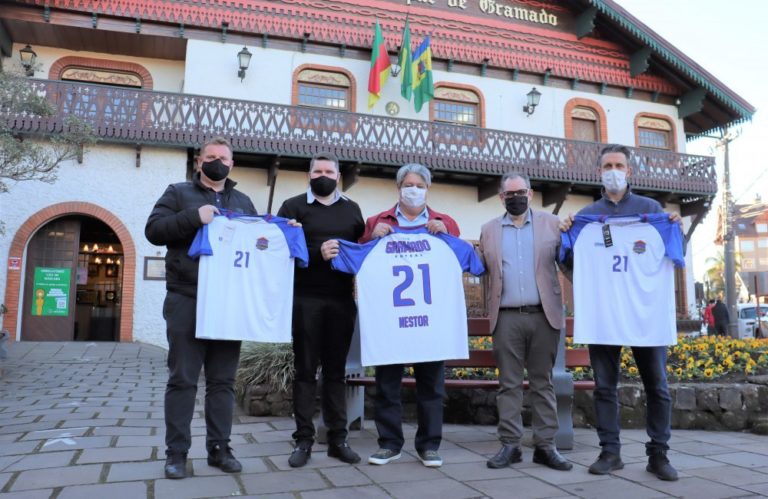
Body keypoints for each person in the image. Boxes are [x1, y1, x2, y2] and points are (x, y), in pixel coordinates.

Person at [560, 144, 681, 482]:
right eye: (607, 165)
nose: (613, 170)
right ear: (599, 172)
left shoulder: (652, 210)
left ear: (629, 171)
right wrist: (566, 234)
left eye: (619, 165)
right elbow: (570, 265)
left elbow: (676, 254)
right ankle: (610, 452)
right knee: (604, 387)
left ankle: (659, 454)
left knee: (657, 386)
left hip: (645, 313)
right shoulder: (586, 217)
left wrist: (674, 226)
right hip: (605, 314)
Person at [145, 137, 254, 479]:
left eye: (223, 158)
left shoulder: (243, 201)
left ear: (232, 164)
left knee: (223, 381)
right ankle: (176, 453)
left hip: (227, 302)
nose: (217, 162)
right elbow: (154, 231)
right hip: (187, 298)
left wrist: (284, 233)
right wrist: (194, 216)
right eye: (211, 157)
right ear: (198, 161)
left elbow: (256, 242)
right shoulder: (177, 193)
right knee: (183, 380)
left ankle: (220, 448)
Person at [361, 163, 459, 468]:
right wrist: (370, 238)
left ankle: (429, 445)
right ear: (398, 187)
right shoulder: (376, 221)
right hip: (390, 321)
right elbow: (361, 263)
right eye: (408, 184)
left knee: (431, 386)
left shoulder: (446, 222)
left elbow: (461, 263)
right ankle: (389, 444)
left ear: (428, 189)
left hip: (431, 319)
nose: (413, 190)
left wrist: (447, 237)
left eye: (419, 185)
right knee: (387, 385)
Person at [477, 172, 572, 471]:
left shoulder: (553, 225)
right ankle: (510, 445)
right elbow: (479, 269)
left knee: (543, 383)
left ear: (530, 194)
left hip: (543, 315)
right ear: (501, 197)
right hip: (505, 318)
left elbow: (569, 264)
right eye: (509, 193)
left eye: (521, 192)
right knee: (509, 385)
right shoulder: (489, 230)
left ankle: (545, 446)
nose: (516, 197)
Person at [276, 152, 365, 467]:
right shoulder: (292, 207)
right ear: (308, 175)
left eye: (329, 171)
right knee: (304, 371)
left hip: (341, 301)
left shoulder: (352, 210)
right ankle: (302, 440)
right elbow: (280, 250)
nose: (323, 175)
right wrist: (316, 253)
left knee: (336, 373)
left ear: (339, 176)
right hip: (305, 300)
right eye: (318, 171)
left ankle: (338, 439)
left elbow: (361, 251)